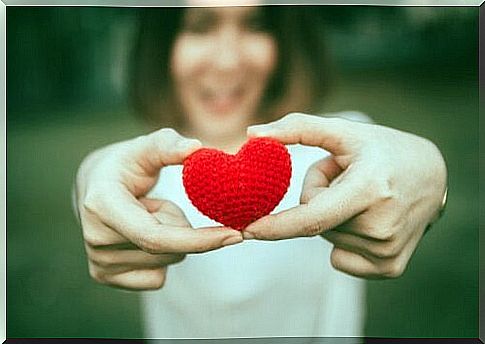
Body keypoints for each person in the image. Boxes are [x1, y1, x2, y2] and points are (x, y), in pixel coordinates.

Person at [73, 5, 448, 339]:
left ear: (284, 40)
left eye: (254, 24)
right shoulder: (140, 175)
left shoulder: (334, 154)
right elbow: (95, 185)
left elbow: (396, 169)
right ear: (161, 44)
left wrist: (433, 169)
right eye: (200, 26)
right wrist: (89, 175)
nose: (227, 61)